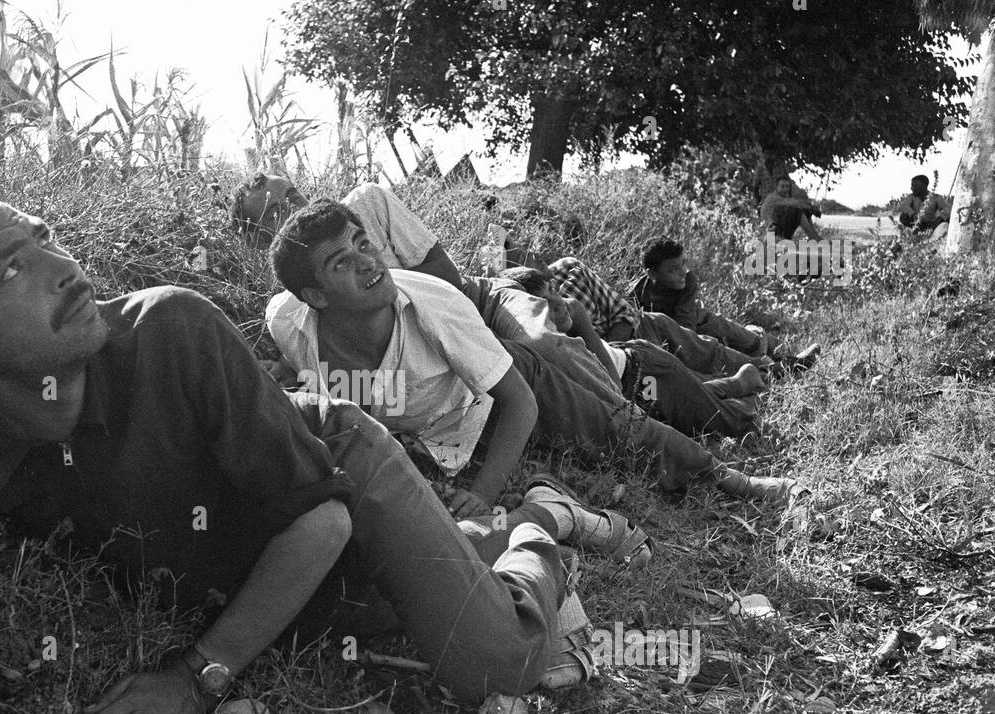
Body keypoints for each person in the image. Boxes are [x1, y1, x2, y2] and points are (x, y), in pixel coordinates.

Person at [0, 179, 613, 714]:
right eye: (13, 269)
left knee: (494, 660)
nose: (64, 268)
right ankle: (490, 535)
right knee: (375, 605)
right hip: (270, 552)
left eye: (43, 237)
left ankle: (540, 524)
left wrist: (195, 678)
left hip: (336, 473)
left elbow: (322, 520)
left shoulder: (169, 329)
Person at [265, 201, 803, 522]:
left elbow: (517, 402)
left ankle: (729, 476)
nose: (368, 263)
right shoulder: (288, 322)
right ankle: (724, 388)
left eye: (365, 243)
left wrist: (481, 496)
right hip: (436, 431)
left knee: (619, 427)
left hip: (510, 384)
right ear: (315, 296)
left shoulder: (433, 304)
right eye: (342, 261)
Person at [504, 268, 763, 438]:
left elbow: (611, 384)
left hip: (645, 371)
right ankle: (737, 382)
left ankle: (747, 388)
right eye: (543, 302)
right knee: (682, 414)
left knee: (724, 425)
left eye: (553, 291)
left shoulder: (571, 317)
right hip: (633, 383)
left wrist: (578, 324)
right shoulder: (537, 337)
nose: (557, 302)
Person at [232, 172, 465, 288]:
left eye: (293, 194)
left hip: (478, 301)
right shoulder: (292, 289)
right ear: (260, 241)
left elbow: (449, 277)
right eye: (276, 211)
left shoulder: (368, 202)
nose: (295, 207)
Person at [546, 255, 765, 378]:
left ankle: (767, 360)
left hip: (643, 331)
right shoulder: (530, 311)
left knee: (707, 342)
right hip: (627, 362)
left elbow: (625, 314)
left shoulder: (568, 268)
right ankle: (758, 367)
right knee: (695, 379)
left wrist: (615, 349)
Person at [632, 239, 821, 367]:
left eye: (684, 263)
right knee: (732, 354)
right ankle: (778, 365)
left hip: (701, 324)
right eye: (674, 268)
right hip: (685, 338)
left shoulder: (688, 280)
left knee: (747, 339)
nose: (683, 270)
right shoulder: (637, 292)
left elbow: (686, 325)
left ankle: (792, 359)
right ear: (652, 274)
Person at [759, 175, 821, 240]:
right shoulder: (773, 198)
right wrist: (811, 207)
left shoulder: (783, 197)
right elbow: (795, 203)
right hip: (771, 230)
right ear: (776, 187)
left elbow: (795, 202)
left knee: (805, 211)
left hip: (777, 227)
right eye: (782, 186)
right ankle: (813, 237)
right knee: (797, 211)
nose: (785, 189)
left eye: (787, 186)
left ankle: (813, 236)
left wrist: (810, 208)